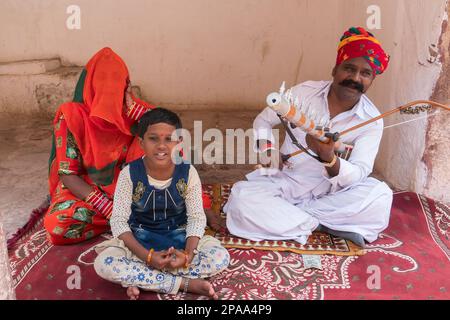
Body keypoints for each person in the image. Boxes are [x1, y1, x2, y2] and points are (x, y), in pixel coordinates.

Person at [223, 27, 393, 247]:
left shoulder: (372, 119)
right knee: (242, 198)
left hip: (333, 194)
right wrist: (268, 151)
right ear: (335, 69)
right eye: (349, 69)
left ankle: (293, 218)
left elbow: (359, 173)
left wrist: (329, 159)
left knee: (381, 196)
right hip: (285, 182)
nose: (355, 78)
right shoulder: (303, 93)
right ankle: (322, 224)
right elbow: (263, 121)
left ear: (372, 79)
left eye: (365, 73)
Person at [44, 47, 215, 245]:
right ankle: (140, 220)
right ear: (89, 87)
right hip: (90, 191)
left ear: (126, 87)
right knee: (58, 224)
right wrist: (107, 208)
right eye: (101, 90)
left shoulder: (137, 113)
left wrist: (202, 207)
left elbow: (174, 154)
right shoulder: (72, 116)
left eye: (114, 90)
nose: (108, 100)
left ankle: (138, 219)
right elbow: (68, 173)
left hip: (135, 189)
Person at [93, 108, 229, 299]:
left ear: (179, 143)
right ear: (141, 143)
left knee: (219, 257)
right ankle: (184, 283)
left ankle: (146, 280)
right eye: (153, 139)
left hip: (180, 241)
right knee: (104, 263)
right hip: (140, 242)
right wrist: (147, 256)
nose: (162, 146)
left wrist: (188, 255)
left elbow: (197, 218)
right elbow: (118, 222)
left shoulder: (188, 172)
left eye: (169, 139)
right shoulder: (129, 174)